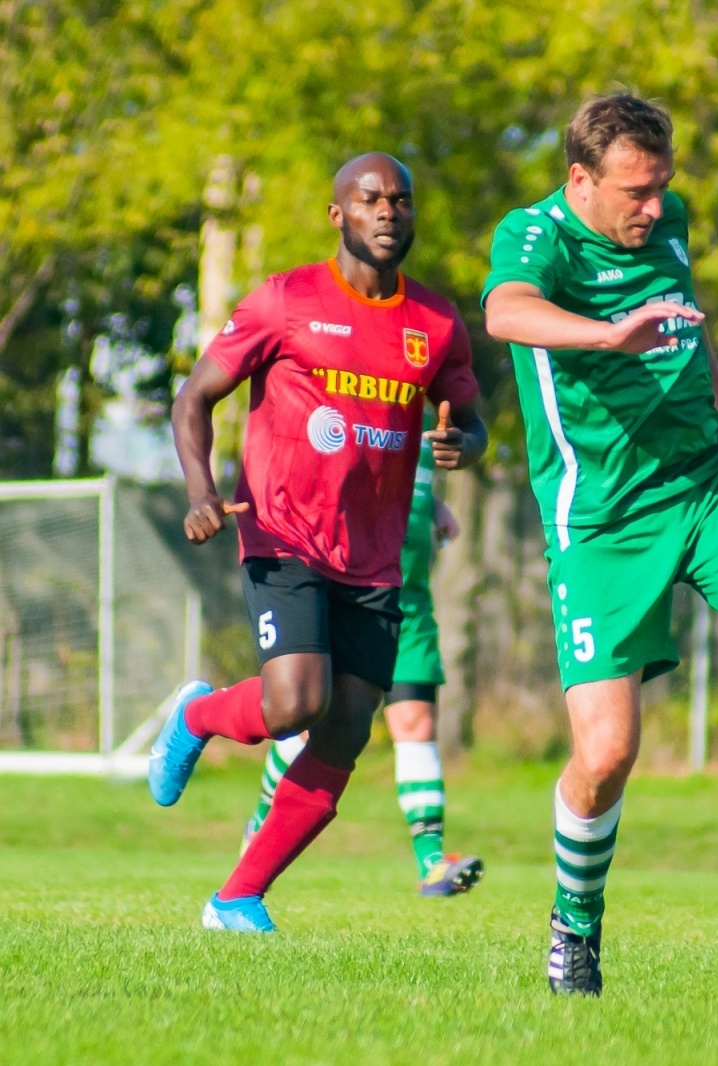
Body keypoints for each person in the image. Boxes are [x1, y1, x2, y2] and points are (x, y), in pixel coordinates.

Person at [481, 93, 718, 996]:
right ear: (581, 180)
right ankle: (574, 926)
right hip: (601, 520)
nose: (654, 209)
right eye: (635, 192)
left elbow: (685, 317)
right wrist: (608, 333)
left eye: (663, 188)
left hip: (702, 477)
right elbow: (505, 312)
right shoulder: (537, 236)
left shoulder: (667, 225)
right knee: (606, 756)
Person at [157, 152, 487, 933]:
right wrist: (202, 492)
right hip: (283, 532)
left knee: (344, 728)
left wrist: (463, 444)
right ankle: (199, 717)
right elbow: (194, 398)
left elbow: (469, 419)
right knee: (296, 702)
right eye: (370, 199)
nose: (387, 212)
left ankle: (236, 898)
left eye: (401, 200)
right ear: (338, 214)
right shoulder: (285, 300)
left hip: (374, 558)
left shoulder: (436, 323)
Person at [241, 414, 484, 897]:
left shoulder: (427, 404)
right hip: (355, 593)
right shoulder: (360, 396)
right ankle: (261, 826)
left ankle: (432, 861)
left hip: (410, 601)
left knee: (417, 725)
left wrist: (430, 504)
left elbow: (405, 477)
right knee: (309, 720)